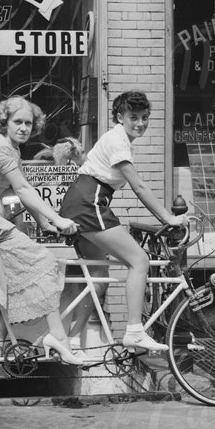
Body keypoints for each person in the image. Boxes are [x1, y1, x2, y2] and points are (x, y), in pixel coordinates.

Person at [0, 96, 83, 365]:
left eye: (28, 123)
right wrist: (56, 218)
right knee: (42, 260)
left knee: (14, 274)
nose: (24, 127)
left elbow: (19, 191)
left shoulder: (12, 150)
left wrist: (45, 223)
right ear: (4, 122)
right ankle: (57, 337)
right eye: (18, 122)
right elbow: (23, 188)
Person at [59, 90, 188, 353]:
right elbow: (139, 187)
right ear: (120, 117)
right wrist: (168, 217)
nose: (140, 123)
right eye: (133, 117)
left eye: (144, 117)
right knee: (139, 260)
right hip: (88, 203)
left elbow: (94, 168)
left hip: (81, 200)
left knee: (98, 274)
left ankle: (71, 341)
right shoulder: (119, 140)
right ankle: (134, 332)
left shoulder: (117, 139)